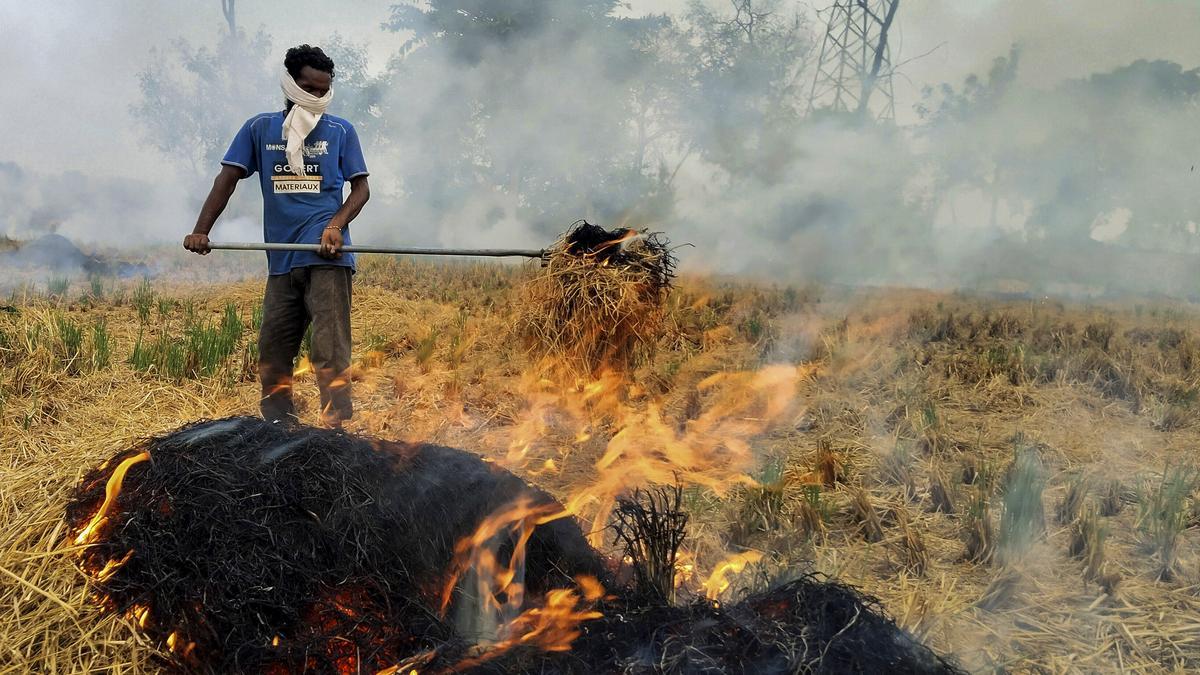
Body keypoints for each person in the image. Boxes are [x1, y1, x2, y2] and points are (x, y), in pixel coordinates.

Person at [184, 44, 370, 428]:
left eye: (323, 91)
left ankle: (336, 433)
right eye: (308, 88)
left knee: (329, 354)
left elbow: (361, 189)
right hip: (281, 259)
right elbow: (228, 178)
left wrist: (335, 225)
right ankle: (278, 433)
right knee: (273, 352)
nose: (316, 97)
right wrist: (202, 229)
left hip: (326, 256)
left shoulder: (340, 131)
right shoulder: (259, 129)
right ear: (289, 85)